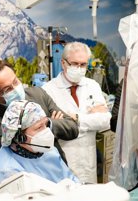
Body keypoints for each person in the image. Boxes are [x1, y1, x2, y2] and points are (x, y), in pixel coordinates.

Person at [0, 60, 79, 162]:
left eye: (15, 82)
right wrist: (43, 131)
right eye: (7, 89)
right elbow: (15, 160)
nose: (16, 89)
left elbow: (73, 128)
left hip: (60, 165)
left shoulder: (38, 94)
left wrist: (48, 123)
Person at [42, 42, 111, 183]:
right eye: (74, 64)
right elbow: (53, 128)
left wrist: (77, 118)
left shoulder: (92, 85)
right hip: (63, 161)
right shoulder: (48, 90)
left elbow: (105, 121)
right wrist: (90, 118)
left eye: (83, 64)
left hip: (88, 161)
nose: (79, 68)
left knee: (89, 195)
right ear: (63, 63)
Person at [0, 100, 80, 190]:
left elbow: (71, 179)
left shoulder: (48, 150)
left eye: (45, 124)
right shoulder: (6, 173)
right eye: (39, 127)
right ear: (19, 137)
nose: (46, 131)